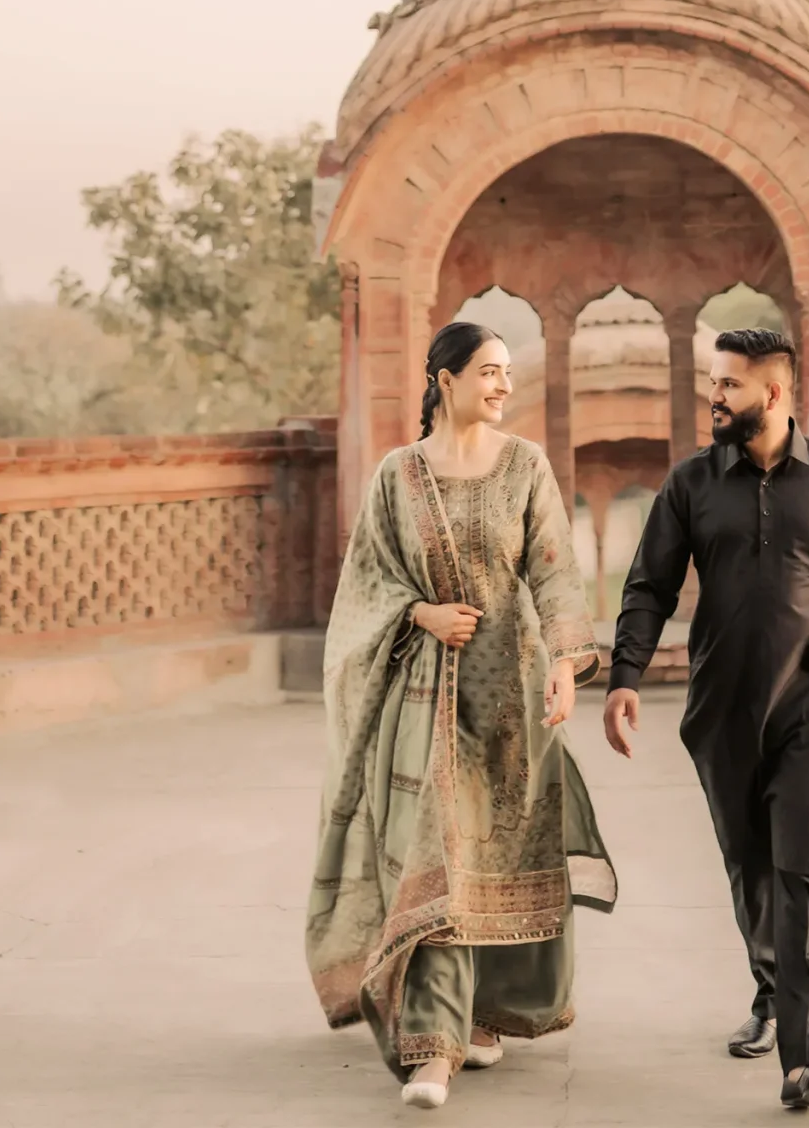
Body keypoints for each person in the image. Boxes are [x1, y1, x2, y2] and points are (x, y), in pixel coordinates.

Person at [602, 327, 809, 1110]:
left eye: (729, 385)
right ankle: (772, 989)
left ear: (773, 393)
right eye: (714, 382)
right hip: (722, 707)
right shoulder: (691, 483)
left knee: (805, 868)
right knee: (751, 865)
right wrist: (625, 677)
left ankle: (804, 1060)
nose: (714, 396)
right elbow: (649, 585)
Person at [308, 320, 616, 1111]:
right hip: (424, 700)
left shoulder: (526, 466)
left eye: (507, 371)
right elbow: (366, 582)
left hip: (510, 697)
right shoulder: (397, 476)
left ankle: (481, 1014)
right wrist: (421, 613)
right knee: (437, 855)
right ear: (444, 380)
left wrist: (564, 665)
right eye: (488, 371)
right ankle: (433, 1051)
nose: (504, 385)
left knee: (496, 856)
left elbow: (553, 572)